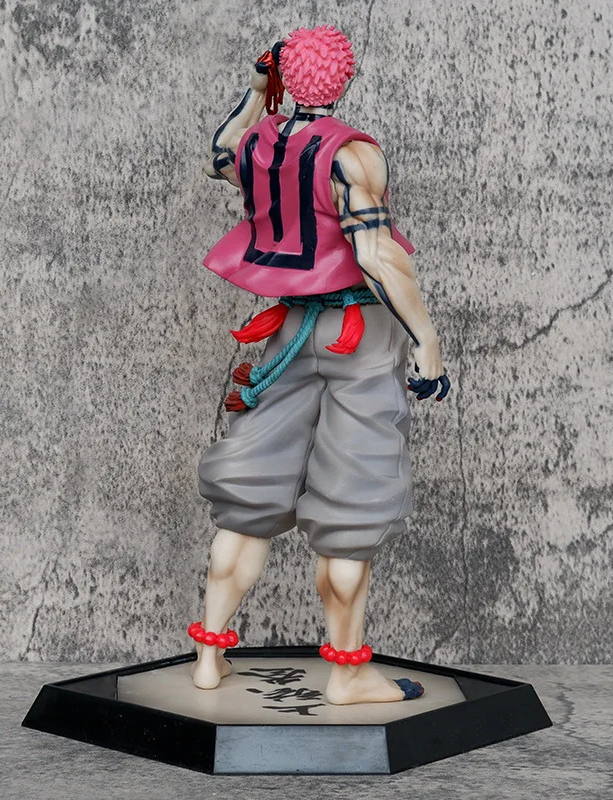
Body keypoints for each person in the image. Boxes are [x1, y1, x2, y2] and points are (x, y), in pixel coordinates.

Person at [189, 25, 449, 705]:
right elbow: (376, 254)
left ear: (284, 76)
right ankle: (347, 673)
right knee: (351, 505)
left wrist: (257, 93)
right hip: (355, 335)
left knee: (249, 491)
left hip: (290, 330)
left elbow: (219, 154)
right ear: (346, 78)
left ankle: (209, 658)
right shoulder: (351, 154)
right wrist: (425, 339)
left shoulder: (258, 142)